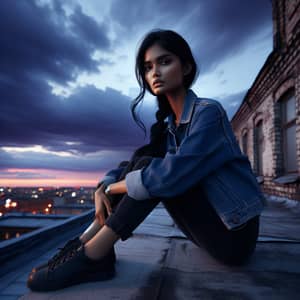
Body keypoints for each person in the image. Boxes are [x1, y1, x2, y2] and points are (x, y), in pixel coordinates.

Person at [27, 29, 265, 292]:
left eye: (165, 62)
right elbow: (132, 164)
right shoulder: (169, 127)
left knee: (155, 172)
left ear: (185, 67)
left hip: (233, 235)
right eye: (148, 67)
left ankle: (92, 255)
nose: (155, 73)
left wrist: (112, 189)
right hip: (206, 228)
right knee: (147, 163)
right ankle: (84, 243)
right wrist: (103, 186)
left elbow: (169, 175)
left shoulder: (209, 114)